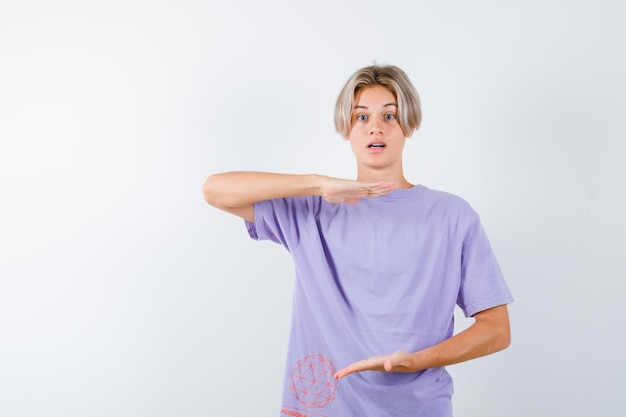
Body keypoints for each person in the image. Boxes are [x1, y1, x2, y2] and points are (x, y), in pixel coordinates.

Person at [203, 64, 513, 417]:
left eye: (390, 116)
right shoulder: (313, 212)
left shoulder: (452, 216)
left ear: (408, 125)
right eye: (361, 117)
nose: (375, 127)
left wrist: (417, 360)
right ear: (346, 129)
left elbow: (496, 330)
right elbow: (215, 191)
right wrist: (319, 184)